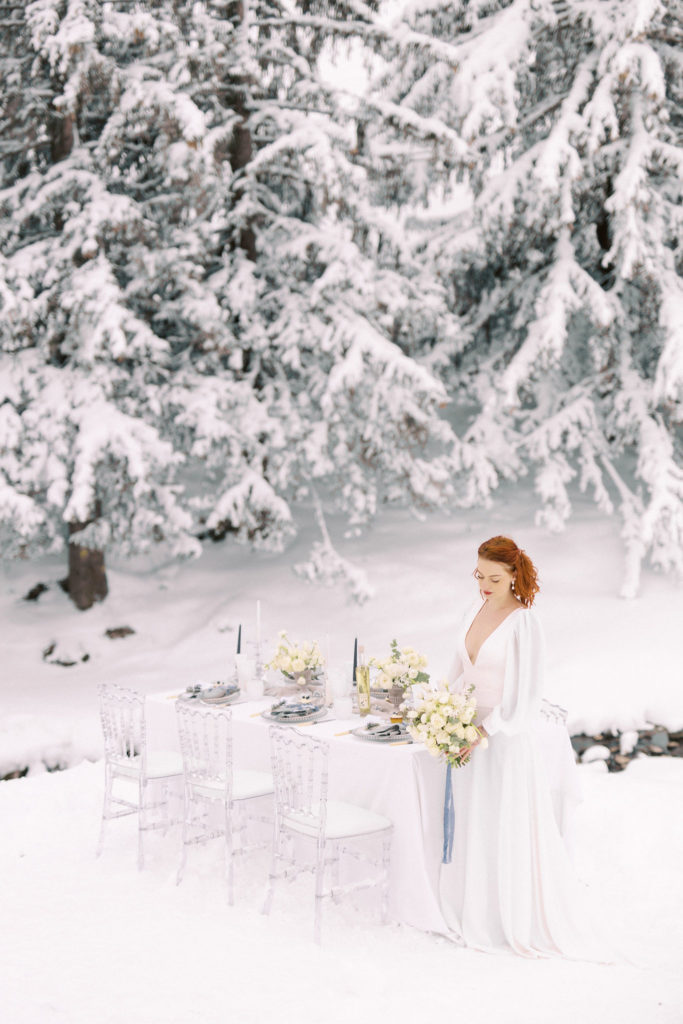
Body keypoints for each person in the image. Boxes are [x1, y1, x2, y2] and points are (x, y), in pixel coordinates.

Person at [438, 535, 606, 959]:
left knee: (502, 821)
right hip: (465, 731)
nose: (484, 586)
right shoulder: (471, 609)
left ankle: (507, 916)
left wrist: (484, 731)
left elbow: (525, 696)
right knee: (474, 820)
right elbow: (459, 670)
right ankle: (471, 906)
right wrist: (439, 711)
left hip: (504, 739)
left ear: (514, 575)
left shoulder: (524, 622)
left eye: (494, 578)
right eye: (479, 576)